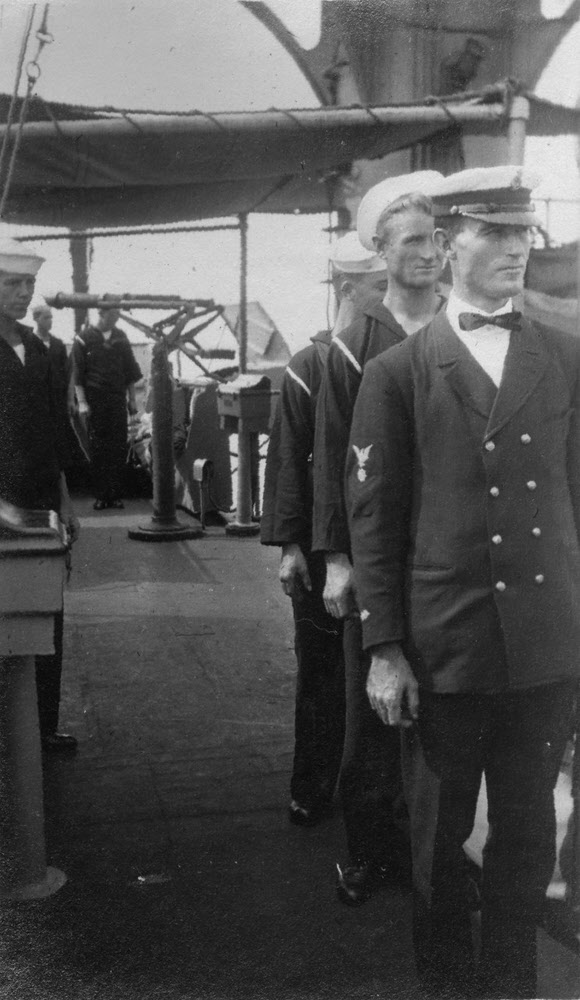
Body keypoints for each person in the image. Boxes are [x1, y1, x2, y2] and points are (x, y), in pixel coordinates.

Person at [346, 165, 580, 998]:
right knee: (441, 843)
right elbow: (374, 522)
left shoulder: (564, 356)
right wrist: (383, 648)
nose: (517, 250)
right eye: (497, 234)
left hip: (545, 647)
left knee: (526, 836)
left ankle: (513, 981)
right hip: (446, 646)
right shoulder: (400, 373)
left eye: (524, 235)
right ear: (449, 247)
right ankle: (446, 987)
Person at [312, 171, 445, 904]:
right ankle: (369, 850)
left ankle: (436, 850)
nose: (429, 255)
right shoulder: (352, 347)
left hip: (454, 550)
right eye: (412, 242)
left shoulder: (463, 329)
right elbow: (336, 455)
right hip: (379, 551)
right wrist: (337, 559)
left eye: (436, 240)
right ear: (382, 253)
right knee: (373, 709)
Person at [261, 232, 389, 827]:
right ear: (348, 288)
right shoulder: (310, 365)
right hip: (320, 546)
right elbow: (288, 459)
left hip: (380, 544)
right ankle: (311, 784)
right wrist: (291, 547)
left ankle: (383, 798)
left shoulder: (396, 357)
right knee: (321, 672)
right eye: (380, 286)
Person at [0, 239, 80, 752]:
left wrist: (66, 503)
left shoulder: (46, 350)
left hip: (40, 502)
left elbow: (55, 431)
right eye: (12, 284)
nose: (23, 294)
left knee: (46, 611)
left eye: (28, 284)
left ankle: (41, 727)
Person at [72, 305, 142, 510]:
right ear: (101, 314)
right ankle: (102, 495)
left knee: (118, 446)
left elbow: (130, 371)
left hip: (117, 398)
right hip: (95, 400)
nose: (116, 319)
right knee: (99, 447)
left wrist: (132, 399)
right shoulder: (83, 338)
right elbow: (78, 374)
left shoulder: (121, 337)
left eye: (118, 316)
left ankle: (115, 494)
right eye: (112, 316)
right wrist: (82, 402)